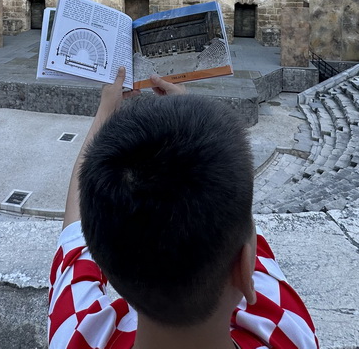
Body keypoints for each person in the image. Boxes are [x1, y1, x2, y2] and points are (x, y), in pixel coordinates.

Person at [48, 67, 317, 349]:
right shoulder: (289, 332)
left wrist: (106, 113)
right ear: (245, 270)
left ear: (104, 263)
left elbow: (74, 239)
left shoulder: (77, 336)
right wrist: (193, 120)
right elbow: (236, 217)